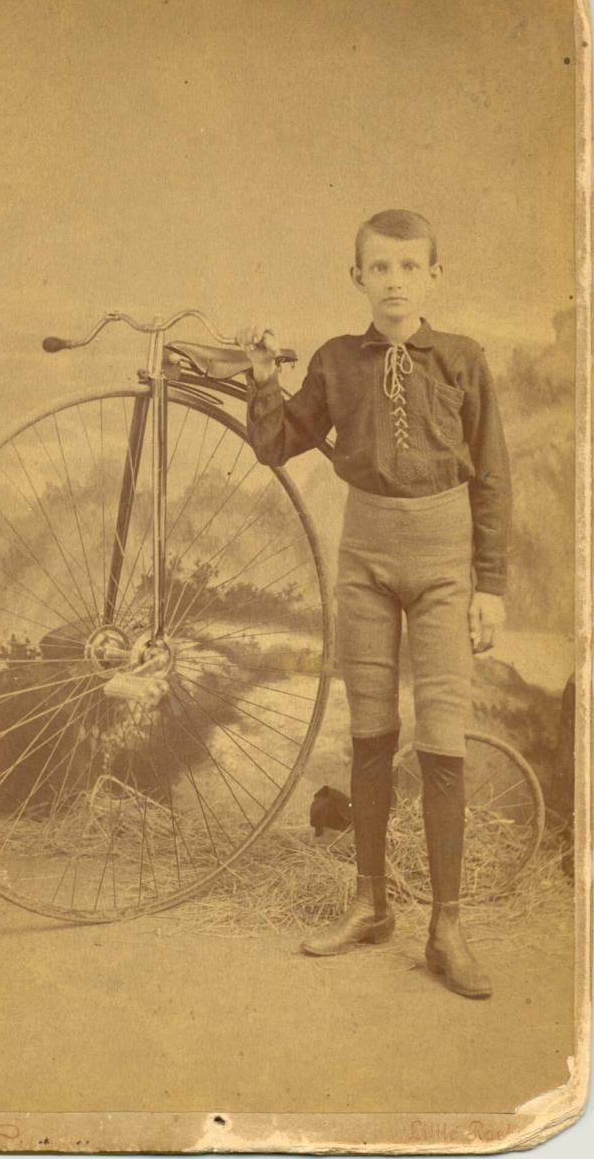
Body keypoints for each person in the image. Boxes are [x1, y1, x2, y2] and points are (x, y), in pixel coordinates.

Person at [239, 209, 511, 999]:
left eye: (409, 267)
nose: (395, 283)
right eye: (379, 269)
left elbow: (492, 477)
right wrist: (263, 384)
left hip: (443, 562)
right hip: (363, 555)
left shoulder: (463, 359)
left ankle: (447, 929)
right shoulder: (334, 362)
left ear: (434, 274)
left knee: (441, 734)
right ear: (356, 277)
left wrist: (489, 585)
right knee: (368, 727)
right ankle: (370, 905)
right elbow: (274, 445)